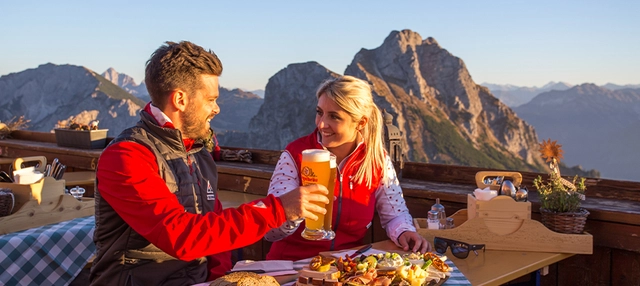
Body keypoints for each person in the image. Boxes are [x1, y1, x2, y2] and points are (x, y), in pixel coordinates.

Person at [90, 41, 328, 285]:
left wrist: (218, 280)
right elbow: (180, 236)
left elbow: (214, 237)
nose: (216, 108)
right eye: (211, 99)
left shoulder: (198, 152)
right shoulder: (126, 156)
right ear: (180, 99)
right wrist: (278, 209)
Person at [265, 75, 431, 261]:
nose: (321, 124)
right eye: (319, 112)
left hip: (345, 267)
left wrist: (405, 233)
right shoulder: (295, 154)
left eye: (334, 116)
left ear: (361, 123)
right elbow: (271, 233)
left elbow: (394, 215)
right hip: (290, 266)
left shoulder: (376, 159)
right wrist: (294, 211)